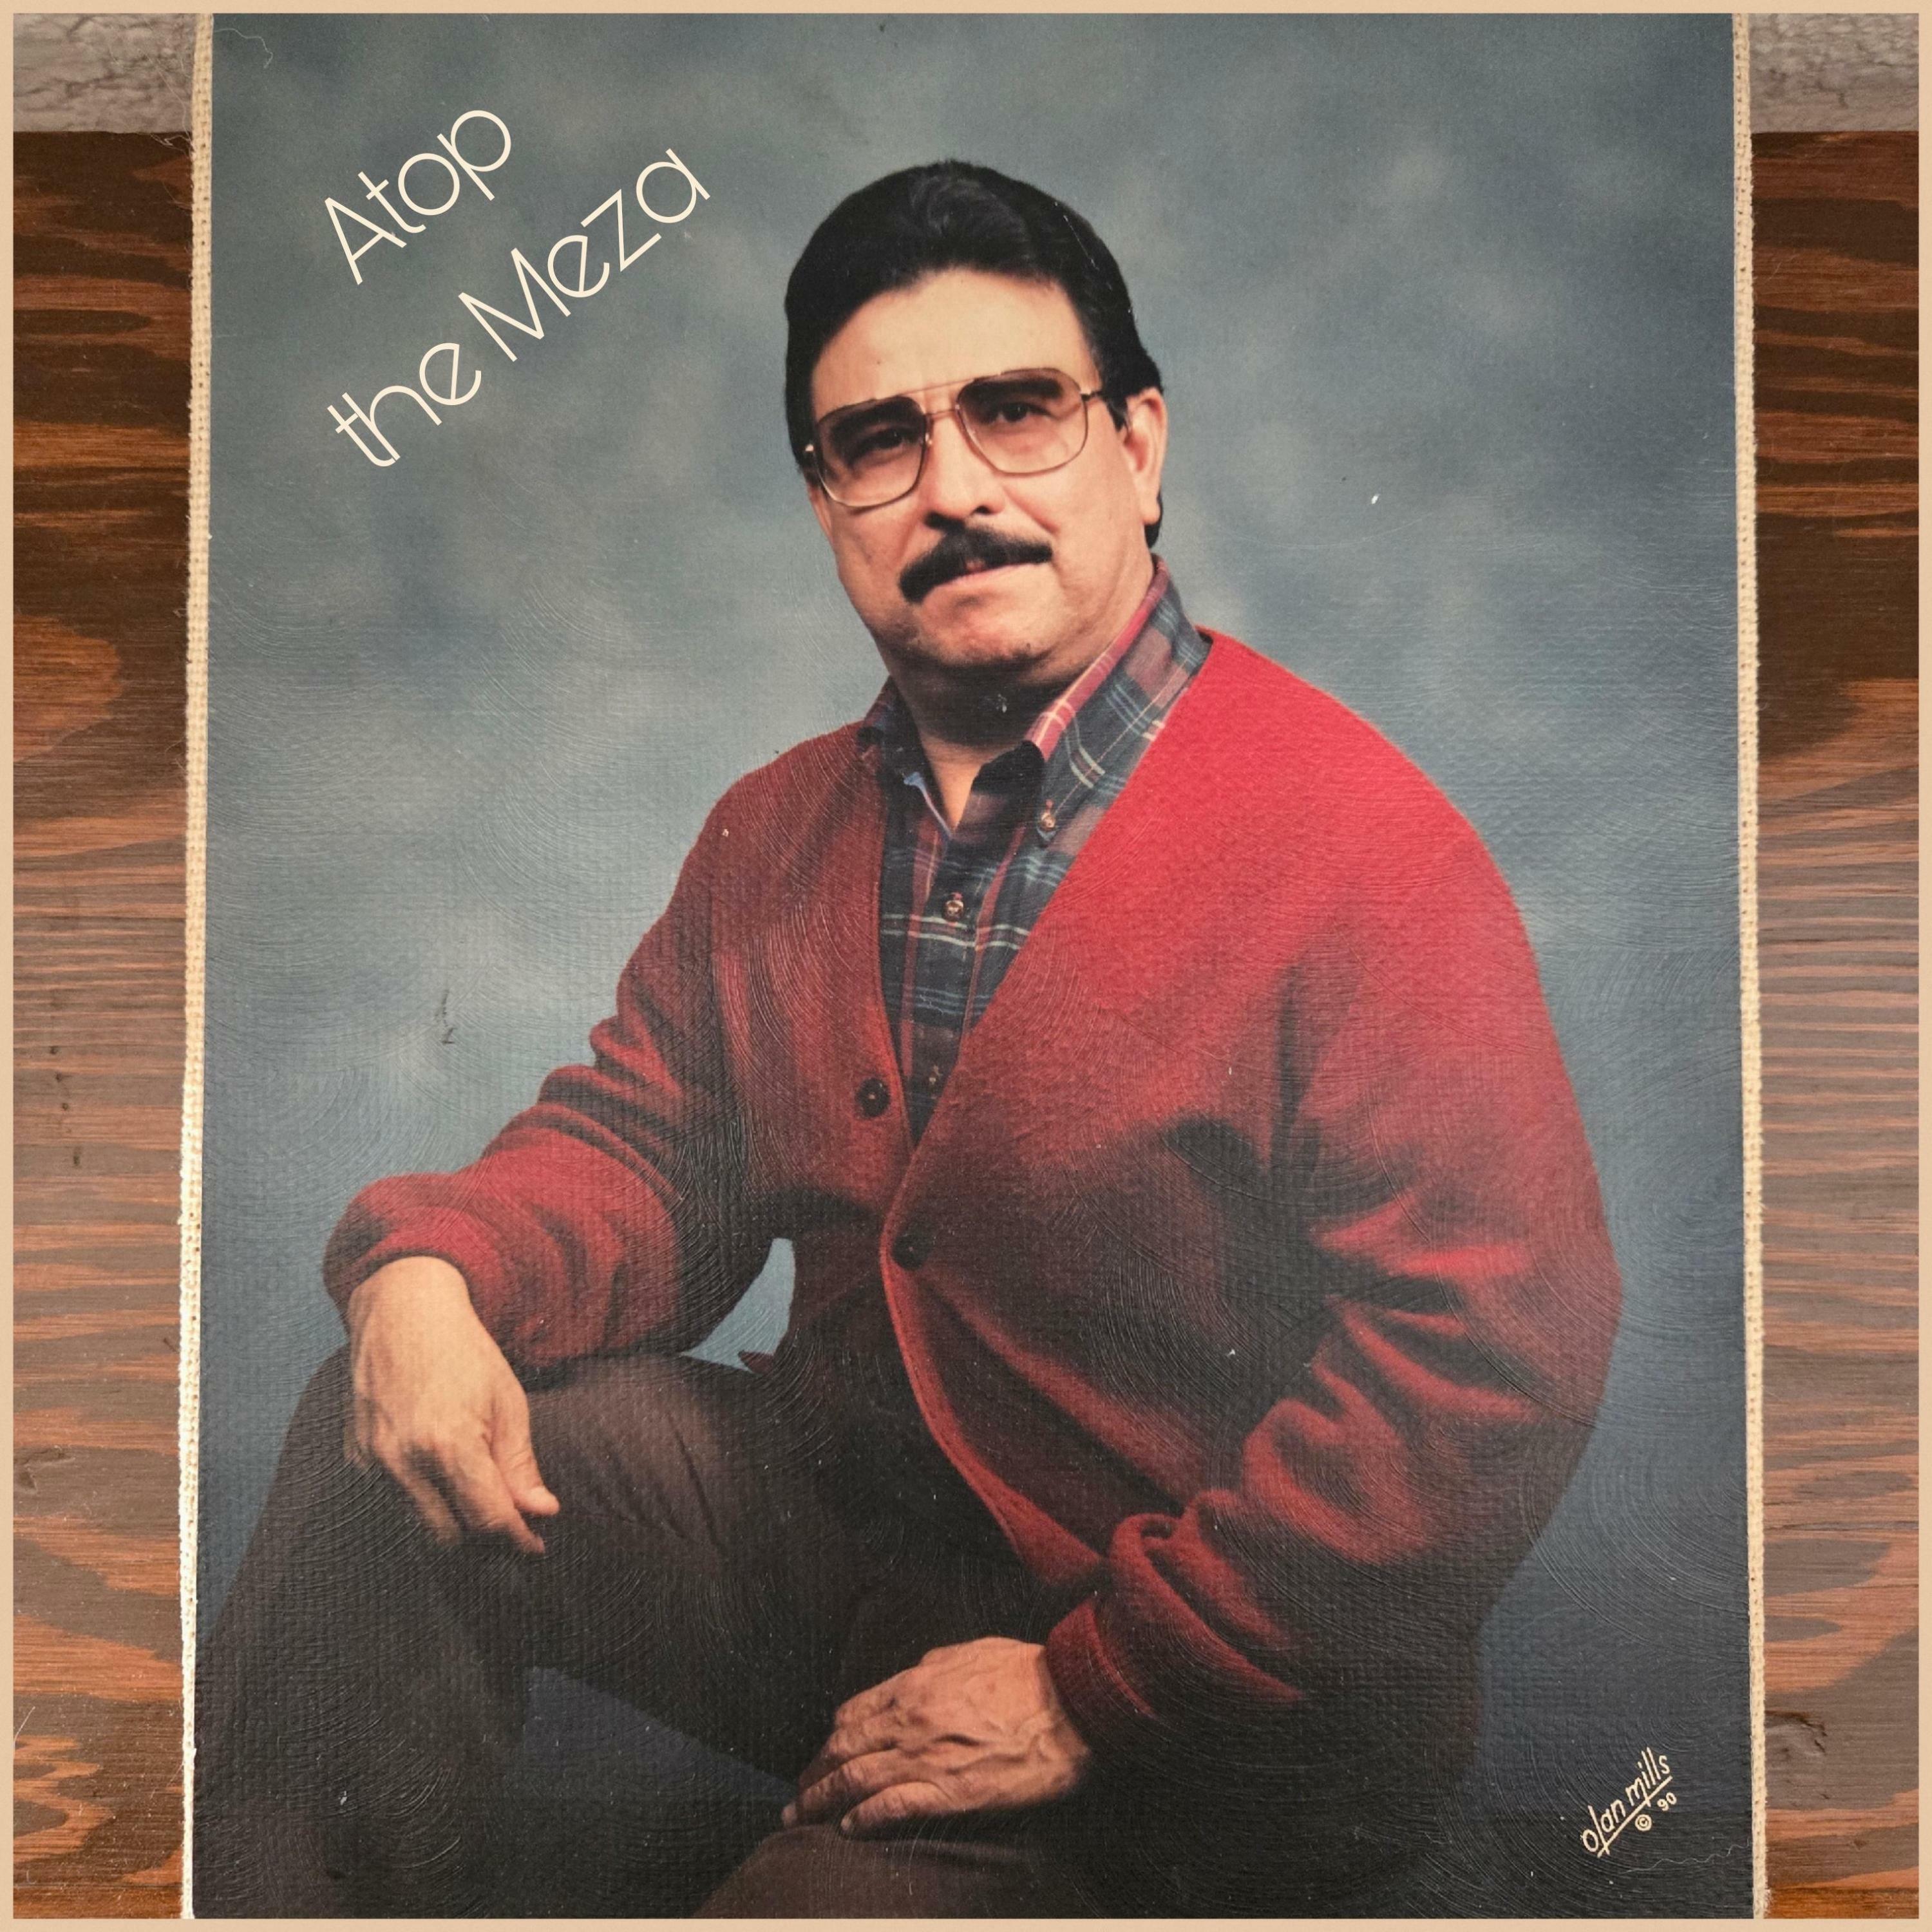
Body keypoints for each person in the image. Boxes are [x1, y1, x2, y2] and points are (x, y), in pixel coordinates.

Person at [196, 160, 1622, 1917]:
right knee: (385, 1445)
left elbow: (1487, 1357)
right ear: (826, 503)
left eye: (1017, 410)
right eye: (879, 441)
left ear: (1140, 448)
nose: (953, 488)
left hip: (1213, 1711)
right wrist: (432, 1272)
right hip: (850, 1569)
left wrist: (1101, 1686)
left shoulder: (1360, 842)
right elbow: (650, 1157)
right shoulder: (776, 828)